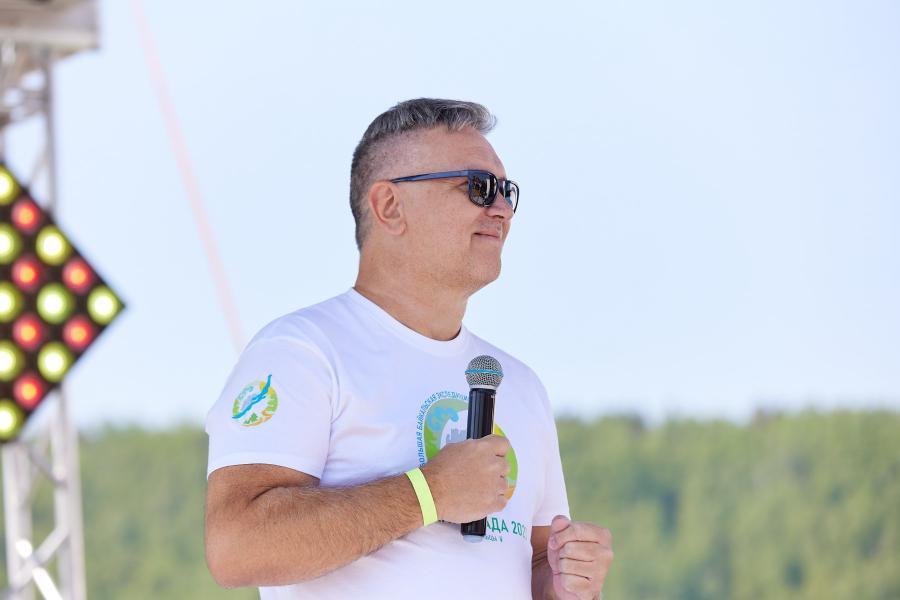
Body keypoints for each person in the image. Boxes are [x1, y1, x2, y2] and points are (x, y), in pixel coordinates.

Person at [204, 98, 613, 599]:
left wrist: (566, 580)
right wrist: (430, 492)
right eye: (478, 187)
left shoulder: (521, 384)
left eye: (507, 192)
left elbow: (531, 564)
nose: (502, 209)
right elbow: (237, 546)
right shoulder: (301, 352)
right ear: (389, 207)